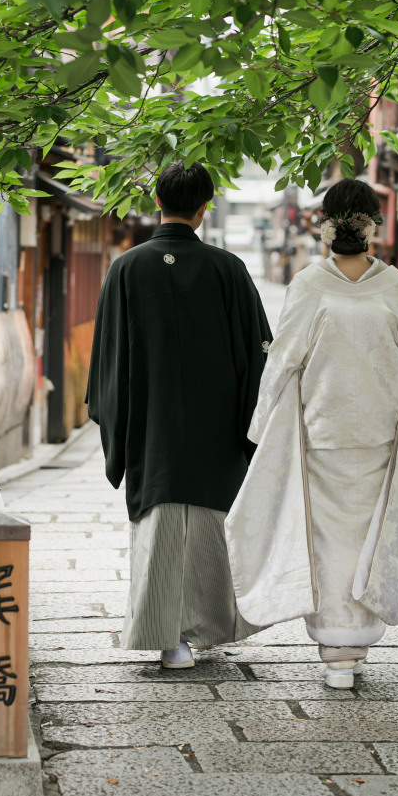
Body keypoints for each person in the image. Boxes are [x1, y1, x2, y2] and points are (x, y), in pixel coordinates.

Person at [225, 178, 398, 688]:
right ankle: (351, 640)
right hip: (377, 427)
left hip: (326, 427)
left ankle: (337, 646)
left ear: (324, 225)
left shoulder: (309, 283)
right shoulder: (392, 285)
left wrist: (259, 428)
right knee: (365, 537)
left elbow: (282, 360)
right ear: (374, 226)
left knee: (328, 543)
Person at [86, 161, 272, 669]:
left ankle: (168, 639)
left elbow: (109, 355)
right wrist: (250, 425)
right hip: (216, 434)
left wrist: (114, 413)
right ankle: (209, 628)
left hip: (153, 429)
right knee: (212, 525)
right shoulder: (227, 269)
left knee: (160, 526)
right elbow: (259, 355)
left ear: (158, 204)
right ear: (204, 209)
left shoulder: (126, 267)